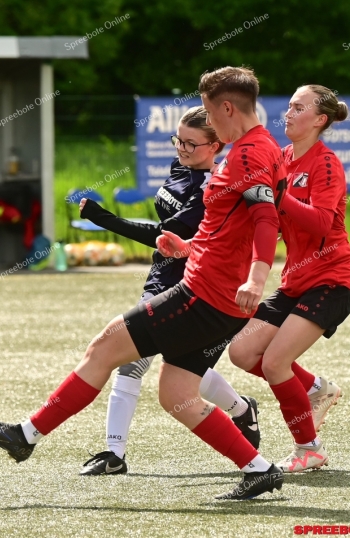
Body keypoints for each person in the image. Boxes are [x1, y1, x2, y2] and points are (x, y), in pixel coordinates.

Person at [0, 66, 288, 500]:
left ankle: (26, 436)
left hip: (204, 296)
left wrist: (256, 276)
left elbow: (267, 218)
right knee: (176, 393)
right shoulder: (265, 148)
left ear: (227, 108)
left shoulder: (247, 154)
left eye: (211, 117)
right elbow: (233, 227)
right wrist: (192, 245)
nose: (209, 125)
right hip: (219, 295)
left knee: (104, 348)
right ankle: (259, 468)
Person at [76, 106, 261, 476]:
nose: (182, 149)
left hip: (190, 284)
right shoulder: (182, 169)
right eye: (178, 140)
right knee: (172, 364)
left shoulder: (210, 186)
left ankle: (114, 453)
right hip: (161, 276)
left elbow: (162, 236)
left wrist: (103, 219)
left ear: (215, 145)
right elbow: (163, 228)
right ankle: (240, 409)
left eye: (191, 144)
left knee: (145, 362)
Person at [228, 85, 350, 473]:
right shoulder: (282, 158)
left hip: (332, 280)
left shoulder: (327, 163)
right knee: (242, 352)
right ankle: (317, 389)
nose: (287, 113)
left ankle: (309, 449)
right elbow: (270, 222)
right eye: (288, 106)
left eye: (298, 107)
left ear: (320, 120)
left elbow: (320, 222)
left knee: (274, 363)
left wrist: (280, 197)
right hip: (295, 282)